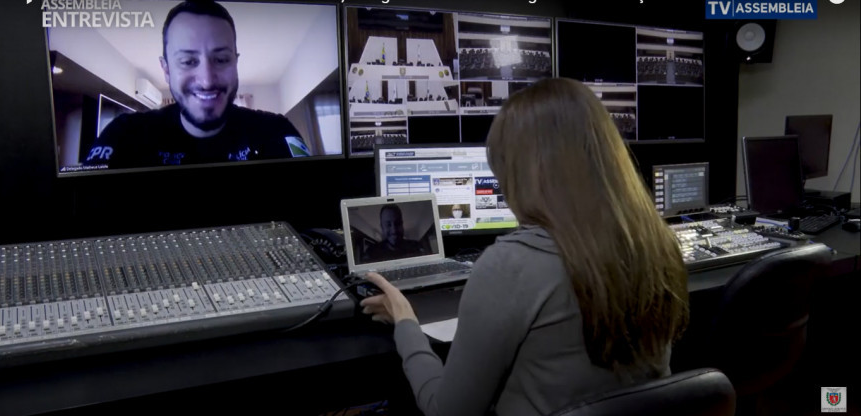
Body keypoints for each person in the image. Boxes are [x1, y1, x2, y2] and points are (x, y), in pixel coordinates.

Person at [360, 78, 689, 415]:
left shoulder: (510, 264)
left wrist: (405, 322)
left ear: (521, 172)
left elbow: (446, 410)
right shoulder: (658, 244)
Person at [84, 0, 310, 169]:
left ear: (235, 62)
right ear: (166, 69)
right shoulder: (124, 135)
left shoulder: (277, 131)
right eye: (188, 61)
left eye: (221, 60)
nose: (207, 80)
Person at [362, 204, 427, 263]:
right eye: (388, 224)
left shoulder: (416, 246)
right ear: (382, 227)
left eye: (398, 223)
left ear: (402, 224)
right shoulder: (371, 252)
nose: (394, 230)